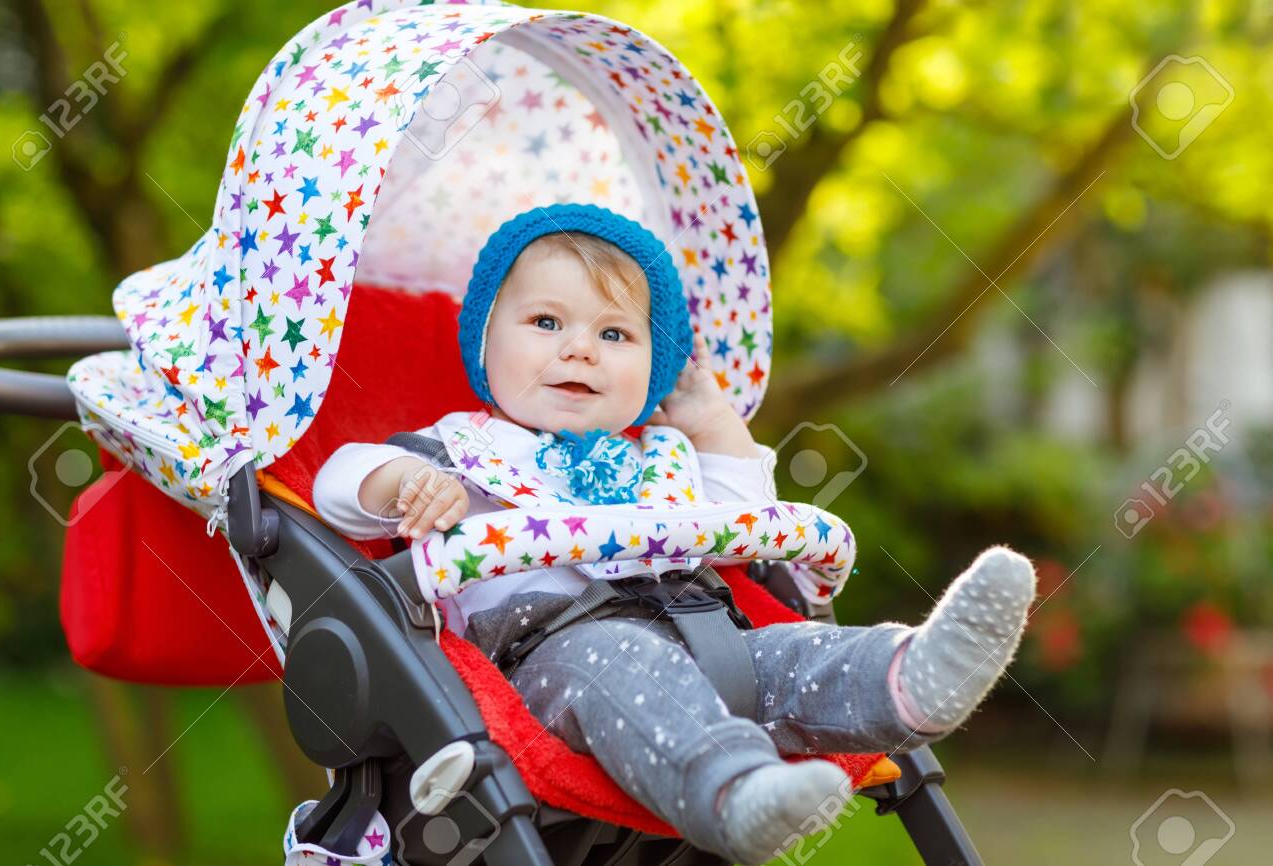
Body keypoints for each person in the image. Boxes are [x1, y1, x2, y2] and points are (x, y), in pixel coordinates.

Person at [313, 204, 1036, 865]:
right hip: (554, 661)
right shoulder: (461, 452)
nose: (580, 351)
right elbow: (337, 482)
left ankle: (915, 677)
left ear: (652, 369)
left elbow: (742, 526)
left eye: (615, 334)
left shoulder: (661, 454)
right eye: (545, 323)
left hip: (709, 635)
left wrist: (712, 422)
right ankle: (735, 791)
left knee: (796, 654)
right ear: (484, 340)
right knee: (621, 662)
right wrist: (401, 487)